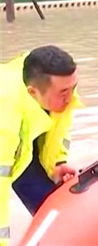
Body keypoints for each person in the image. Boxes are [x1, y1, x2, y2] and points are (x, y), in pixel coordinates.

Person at [0, 45, 81, 246]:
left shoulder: (61, 87)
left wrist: (56, 162)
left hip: (26, 131)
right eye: (64, 92)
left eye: (73, 88)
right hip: (9, 136)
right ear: (32, 92)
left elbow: (60, 129)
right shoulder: (5, 119)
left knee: (55, 212)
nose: (70, 98)